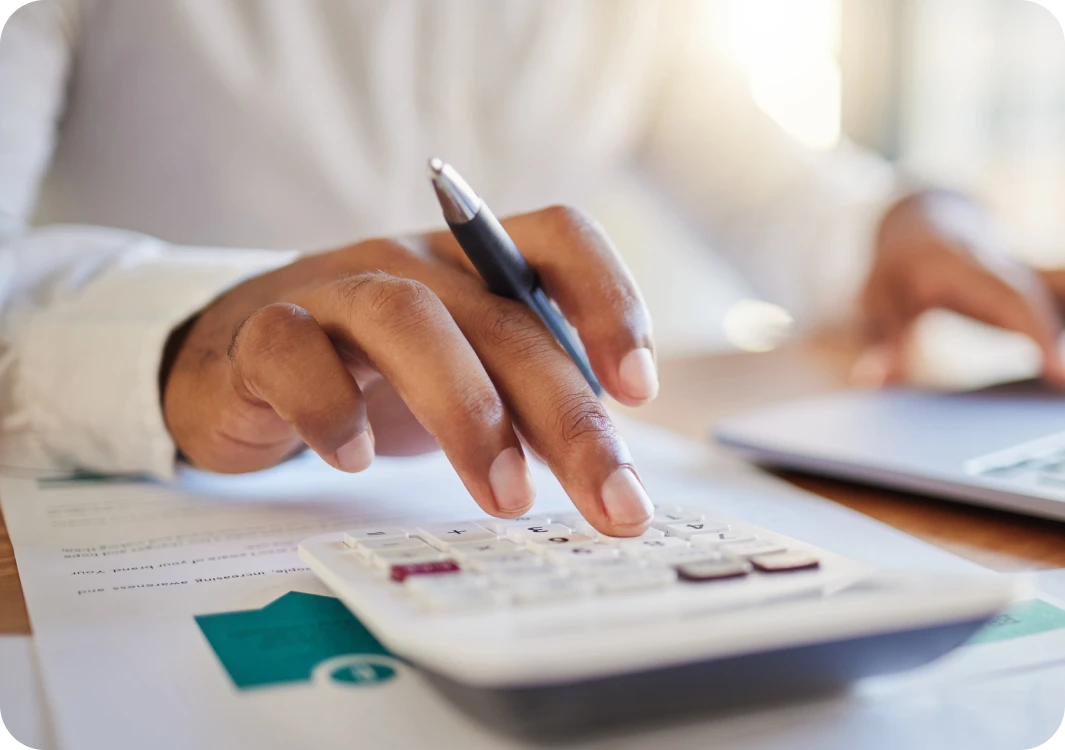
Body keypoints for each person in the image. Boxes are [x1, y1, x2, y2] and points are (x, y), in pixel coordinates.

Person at [2, 1, 1063, 537]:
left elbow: (775, 194)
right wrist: (173, 342)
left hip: (529, 511)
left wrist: (907, 226)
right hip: (167, 510)